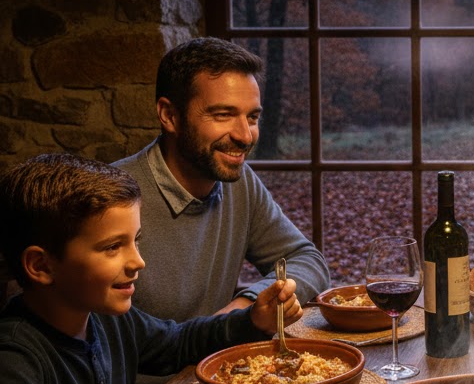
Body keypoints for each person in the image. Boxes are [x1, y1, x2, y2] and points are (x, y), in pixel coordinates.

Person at [0, 153, 303, 384]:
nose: (137, 261)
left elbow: (176, 343)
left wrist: (251, 320)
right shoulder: (15, 348)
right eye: (113, 247)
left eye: (135, 241)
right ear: (41, 266)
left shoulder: (107, 319)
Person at [115, 37, 331, 319]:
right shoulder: (114, 197)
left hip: (217, 359)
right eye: (223, 115)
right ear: (169, 115)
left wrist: (248, 304)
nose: (244, 136)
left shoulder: (240, 183)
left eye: (252, 118)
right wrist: (227, 328)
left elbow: (308, 261)